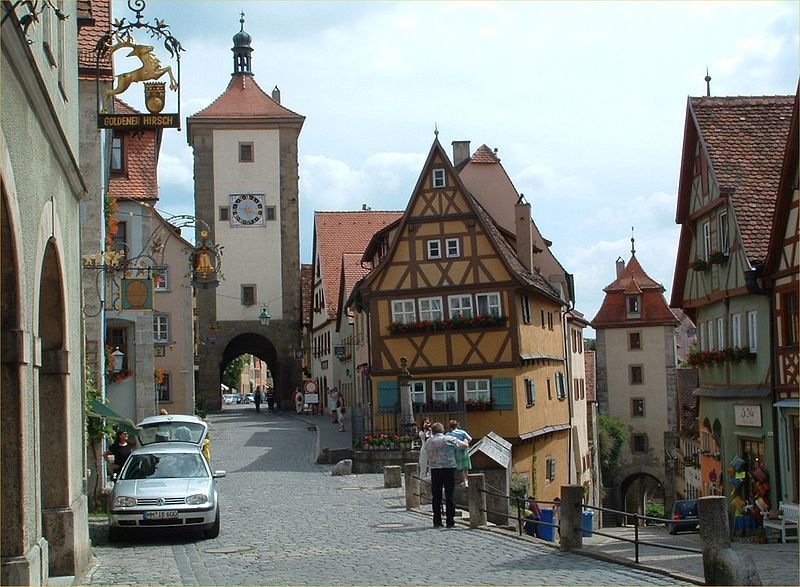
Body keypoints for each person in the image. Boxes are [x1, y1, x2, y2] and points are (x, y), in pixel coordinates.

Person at [425, 422, 469, 528]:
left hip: (435, 469)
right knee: (450, 496)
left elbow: (427, 452)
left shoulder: (428, 441)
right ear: (442, 430)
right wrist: (466, 439)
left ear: (433, 431)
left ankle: (437, 520)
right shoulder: (449, 439)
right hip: (449, 468)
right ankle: (450, 521)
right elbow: (464, 446)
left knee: (436, 496)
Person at [446, 420, 472, 487]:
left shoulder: (448, 434)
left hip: (455, 451)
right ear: (457, 425)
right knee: (465, 467)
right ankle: (466, 481)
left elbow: (446, 442)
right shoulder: (462, 432)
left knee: (460, 468)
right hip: (464, 450)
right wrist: (465, 441)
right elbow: (470, 439)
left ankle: (464, 481)